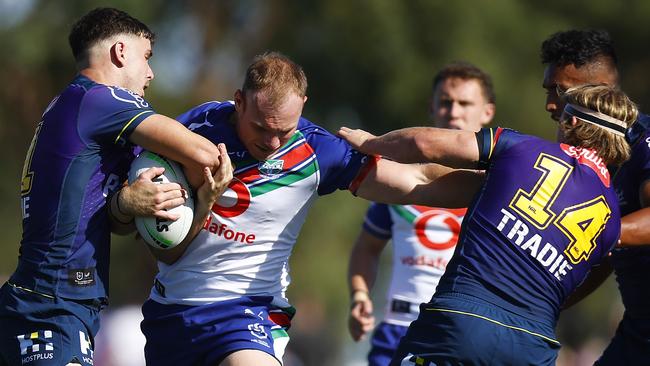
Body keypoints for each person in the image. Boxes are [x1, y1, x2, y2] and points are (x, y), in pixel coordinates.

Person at [136, 52, 480, 366]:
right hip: (172, 312)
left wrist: (500, 185)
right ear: (239, 102)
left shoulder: (318, 151)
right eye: (260, 128)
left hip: (249, 312)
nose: (271, 143)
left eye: (283, 131)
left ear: (303, 104)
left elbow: (414, 179)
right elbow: (157, 233)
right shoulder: (197, 127)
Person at [339, 83, 637, 365]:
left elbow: (423, 143)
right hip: (534, 346)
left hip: (461, 324)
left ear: (571, 123)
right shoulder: (613, 220)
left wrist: (370, 142)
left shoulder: (522, 148)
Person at [0, 7, 226, 366]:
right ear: (120, 52)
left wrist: (125, 203)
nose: (151, 73)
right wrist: (205, 193)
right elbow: (204, 155)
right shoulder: (101, 99)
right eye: (146, 57)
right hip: (52, 305)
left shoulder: (77, 107)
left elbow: (118, 224)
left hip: (52, 301)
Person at [347, 62, 495, 366]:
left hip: (463, 332)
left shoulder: (500, 183)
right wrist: (360, 295)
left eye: (465, 103)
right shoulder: (401, 180)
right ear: (432, 108)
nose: (454, 112)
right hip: (399, 329)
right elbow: (367, 247)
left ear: (487, 112)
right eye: (445, 102)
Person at [540, 29, 650, 365]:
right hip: (638, 330)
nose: (550, 104)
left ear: (602, 89)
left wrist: (592, 231)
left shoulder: (644, 142)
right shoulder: (588, 160)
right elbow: (605, 258)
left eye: (560, 91)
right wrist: (546, 302)